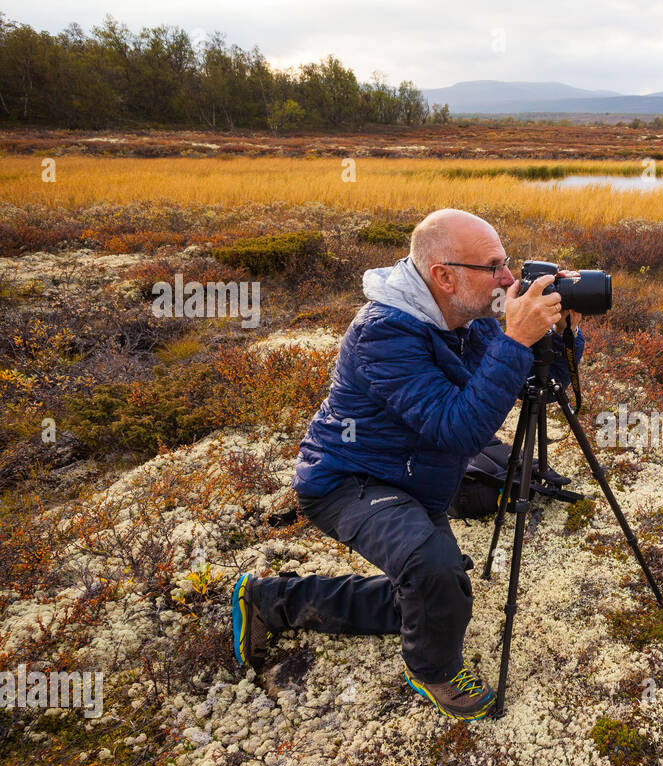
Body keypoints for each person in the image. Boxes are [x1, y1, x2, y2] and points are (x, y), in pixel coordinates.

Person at [230, 209, 584, 720]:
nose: (507, 280)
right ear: (444, 275)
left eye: (507, 264)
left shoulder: (468, 315)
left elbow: (540, 386)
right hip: (348, 479)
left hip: (416, 479)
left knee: (439, 598)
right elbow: (458, 428)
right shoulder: (384, 334)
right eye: (493, 267)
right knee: (432, 570)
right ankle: (433, 673)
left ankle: (270, 599)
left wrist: (558, 330)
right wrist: (514, 340)